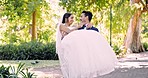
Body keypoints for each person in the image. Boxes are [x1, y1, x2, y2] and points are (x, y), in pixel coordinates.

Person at [56, 12, 118, 78]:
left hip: (84, 54)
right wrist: (78, 27)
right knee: (68, 65)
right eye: (71, 18)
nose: (75, 19)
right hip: (71, 50)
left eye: (81, 16)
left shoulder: (91, 29)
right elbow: (71, 33)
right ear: (66, 18)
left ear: (87, 17)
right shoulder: (73, 27)